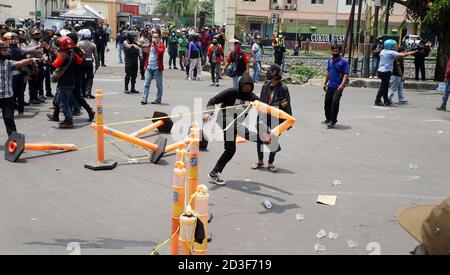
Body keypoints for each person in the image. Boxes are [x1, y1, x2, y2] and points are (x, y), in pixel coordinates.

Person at [203, 74, 271, 185]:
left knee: (230, 150)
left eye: (249, 86)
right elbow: (213, 100)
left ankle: (214, 173)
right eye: (245, 85)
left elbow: (265, 108)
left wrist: (279, 108)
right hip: (224, 119)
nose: (247, 88)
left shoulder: (252, 98)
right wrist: (208, 113)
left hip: (235, 123)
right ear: (240, 85)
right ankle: (262, 139)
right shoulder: (232, 92)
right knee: (240, 129)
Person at [251, 64, 291, 172]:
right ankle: (260, 161)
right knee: (261, 138)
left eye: (270, 70)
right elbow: (261, 101)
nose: (268, 72)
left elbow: (287, 103)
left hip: (276, 118)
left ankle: (270, 163)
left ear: (275, 73)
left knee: (273, 139)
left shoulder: (283, 88)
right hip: (264, 116)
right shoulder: (265, 86)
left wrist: (287, 121)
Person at [1, 41, 41, 136]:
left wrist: (30, 60)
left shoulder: (8, 62)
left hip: (7, 96)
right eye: (3, 50)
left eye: (6, 49)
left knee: (9, 118)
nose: (6, 51)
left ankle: (14, 140)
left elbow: (19, 63)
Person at [43, 36, 84, 129]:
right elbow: (80, 61)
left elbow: (53, 66)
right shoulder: (73, 54)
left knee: (63, 103)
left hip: (64, 82)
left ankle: (69, 121)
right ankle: (62, 118)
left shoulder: (63, 56)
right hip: (73, 80)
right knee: (61, 100)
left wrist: (46, 60)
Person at [375, 39, 417, 107]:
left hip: (381, 71)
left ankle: (386, 101)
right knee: (383, 87)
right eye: (394, 45)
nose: (396, 46)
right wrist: (412, 52)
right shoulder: (391, 52)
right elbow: (402, 55)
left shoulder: (383, 51)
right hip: (386, 72)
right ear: (390, 46)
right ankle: (377, 100)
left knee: (385, 87)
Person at [322, 44, 350, 129]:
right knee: (327, 103)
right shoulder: (330, 60)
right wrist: (325, 83)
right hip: (330, 85)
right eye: (333, 51)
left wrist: (342, 85)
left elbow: (346, 74)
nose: (334, 52)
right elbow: (328, 73)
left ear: (339, 51)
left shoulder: (344, 61)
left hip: (339, 86)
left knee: (335, 102)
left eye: (336, 51)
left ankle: (333, 121)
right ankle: (328, 118)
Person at [141, 32, 165, 105]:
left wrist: (155, 45)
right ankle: (144, 99)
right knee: (146, 84)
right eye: (153, 37)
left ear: (159, 38)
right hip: (149, 67)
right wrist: (145, 65)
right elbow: (148, 55)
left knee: (159, 85)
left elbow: (160, 52)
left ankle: (158, 99)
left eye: (156, 37)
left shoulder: (161, 45)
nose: (154, 38)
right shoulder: (150, 45)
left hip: (157, 68)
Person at [77, 29, 99, 99]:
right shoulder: (93, 45)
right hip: (89, 62)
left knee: (81, 77)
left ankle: (82, 92)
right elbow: (96, 56)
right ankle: (88, 92)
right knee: (90, 77)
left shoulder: (79, 43)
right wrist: (97, 64)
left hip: (81, 62)